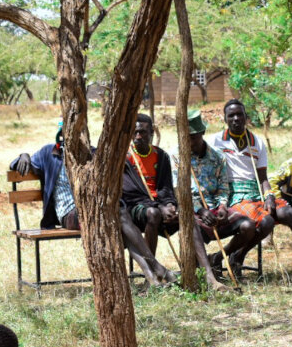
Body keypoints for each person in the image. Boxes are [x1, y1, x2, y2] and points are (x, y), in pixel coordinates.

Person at [12, 120, 175, 287]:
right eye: (70, 134)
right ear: (62, 135)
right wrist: (23, 155)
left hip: (96, 210)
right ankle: (156, 267)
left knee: (119, 218)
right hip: (69, 214)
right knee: (118, 216)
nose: (76, 139)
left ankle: (152, 277)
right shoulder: (51, 153)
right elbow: (20, 164)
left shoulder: (91, 154)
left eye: (80, 135)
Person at [210, 98, 292, 275]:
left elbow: (263, 177)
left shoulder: (256, 141)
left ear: (246, 117)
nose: (236, 119)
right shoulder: (215, 142)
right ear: (225, 119)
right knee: (267, 221)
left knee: (289, 212)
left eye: (239, 115)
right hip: (234, 194)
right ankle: (228, 257)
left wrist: (269, 196)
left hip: (257, 192)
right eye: (231, 116)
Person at [177, 110, 256, 287]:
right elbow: (179, 192)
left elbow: (223, 187)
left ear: (202, 133)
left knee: (248, 226)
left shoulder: (217, 157)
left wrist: (222, 207)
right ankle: (209, 276)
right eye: (186, 137)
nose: (189, 141)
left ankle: (219, 257)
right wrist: (200, 209)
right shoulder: (177, 157)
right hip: (194, 211)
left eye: (194, 137)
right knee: (191, 225)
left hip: (215, 208)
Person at [124, 113, 178, 256]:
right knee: (153, 213)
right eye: (134, 132)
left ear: (152, 133)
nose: (138, 136)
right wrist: (159, 207)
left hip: (159, 205)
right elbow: (130, 194)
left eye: (142, 132)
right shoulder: (126, 158)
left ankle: (195, 268)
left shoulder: (161, 156)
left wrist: (169, 204)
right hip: (135, 208)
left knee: (187, 215)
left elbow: (166, 187)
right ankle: (152, 267)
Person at [10, 120, 78, 231]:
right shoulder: (49, 152)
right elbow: (23, 165)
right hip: (68, 213)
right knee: (88, 217)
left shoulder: (88, 153)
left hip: (88, 209)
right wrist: (23, 156)